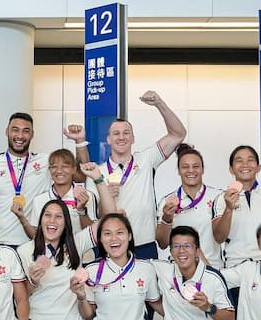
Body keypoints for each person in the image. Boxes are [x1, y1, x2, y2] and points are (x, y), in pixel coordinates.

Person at [71, 91, 187, 260]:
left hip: (144, 246)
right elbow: (95, 218)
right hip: (109, 248)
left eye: (126, 133)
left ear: (133, 138)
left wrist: (159, 104)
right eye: (116, 134)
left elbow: (178, 134)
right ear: (108, 139)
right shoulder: (97, 173)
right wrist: (107, 198)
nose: (121, 137)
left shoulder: (146, 159)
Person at [0, 112, 51, 247]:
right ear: (7, 132)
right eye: (15, 130)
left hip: (35, 243)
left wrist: (79, 142)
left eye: (26, 131)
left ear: (32, 134)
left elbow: (79, 174)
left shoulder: (46, 162)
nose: (20, 136)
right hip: (1, 243)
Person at [156, 144, 223, 267]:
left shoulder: (218, 197)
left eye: (196, 166)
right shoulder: (167, 202)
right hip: (180, 270)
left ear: (202, 169)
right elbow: (162, 243)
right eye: (185, 167)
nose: (191, 170)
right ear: (179, 171)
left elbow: (222, 236)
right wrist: (167, 218)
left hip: (213, 268)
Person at [19, 148, 98, 238]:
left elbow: (92, 234)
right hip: (51, 251)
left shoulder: (86, 196)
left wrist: (81, 210)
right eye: (54, 167)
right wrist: (22, 218)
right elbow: (36, 237)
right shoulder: (39, 200)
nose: (59, 171)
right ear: (49, 170)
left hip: (79, 250)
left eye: (64, 166)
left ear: (74, 169)